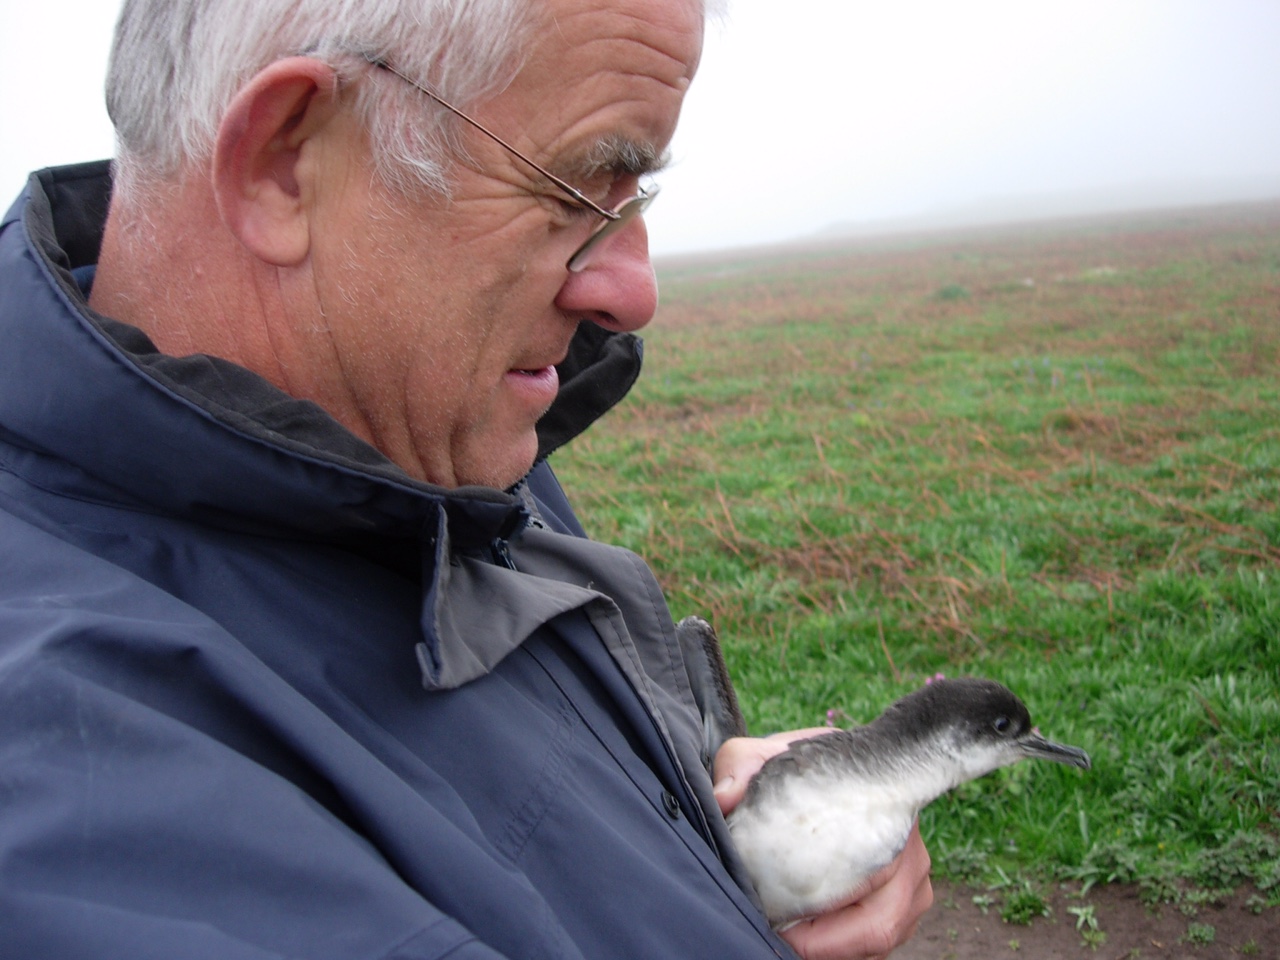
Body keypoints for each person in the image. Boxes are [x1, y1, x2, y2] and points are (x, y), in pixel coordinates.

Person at [0, 0, 933, 957]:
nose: (631, 292)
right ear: (287, 161)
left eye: (633, 198)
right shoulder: (77, 818)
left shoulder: (415, 443)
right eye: (576, 191)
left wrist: (727, 825)